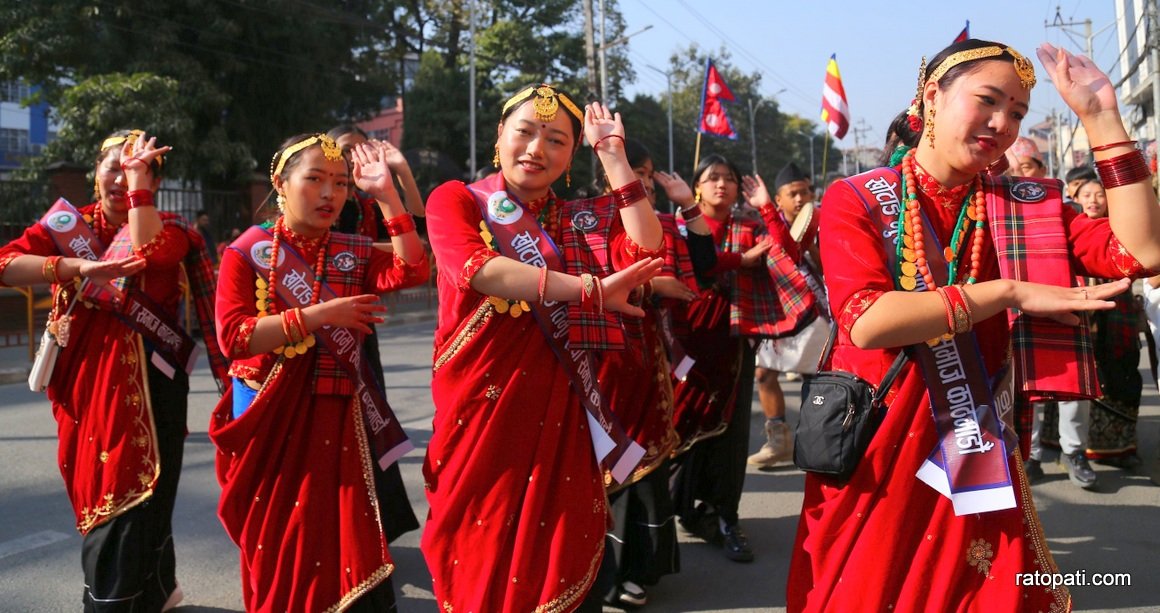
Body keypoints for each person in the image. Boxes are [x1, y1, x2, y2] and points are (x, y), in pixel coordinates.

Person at [789, 39, 1160, 611]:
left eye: (1015, 113)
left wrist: (1103, 119)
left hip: (976, 438)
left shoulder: (1023, 206)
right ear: (932, 96)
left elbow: (1140, 252)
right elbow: (866, 321)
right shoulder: (858, 198)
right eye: (988, 101)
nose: (1002, 124)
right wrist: (1009, 292)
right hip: (879, 441)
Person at [421, 84, 664, 612]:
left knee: (558, 549)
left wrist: (615, 158)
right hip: (479, 408)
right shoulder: (457, 199)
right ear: (499, 137)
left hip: (561, 410)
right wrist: (590, 290)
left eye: (556, 140)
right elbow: (481, 270)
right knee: (473, 545)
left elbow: (645, 246)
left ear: (571, 157)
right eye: (525, 132)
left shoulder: (575, 219)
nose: (536, 148)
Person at [0, 129, 226, 612]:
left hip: (155, 384)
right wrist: (72, 268)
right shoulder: (64, 225)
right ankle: (145, 593)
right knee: (103, 493)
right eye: (113, 166)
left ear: (153, 181)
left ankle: (127, 599)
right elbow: (7, 263)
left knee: (147, 494)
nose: (121, 179)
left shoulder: (174, 230)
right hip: (86, 386)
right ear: (94, 172)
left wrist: (139, 186)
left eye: (136, 170)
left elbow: (144, 251)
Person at [209, 134, 428, 612]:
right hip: (268, 411)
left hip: (335, 416)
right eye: (315, 179)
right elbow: (234, 337)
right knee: (280, 539)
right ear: (280, 185)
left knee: (342, 533)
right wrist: (317, 316)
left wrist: (388, 196)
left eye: (341, 183)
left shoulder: (350, 250)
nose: (330, 193)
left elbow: (413, 269)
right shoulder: (245, 252)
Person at [669, 154, 819, 563]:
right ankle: (676, 512)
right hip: (681, 346)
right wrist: (738, 261)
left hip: (731, 347)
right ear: (697, 186)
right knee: (677, 429)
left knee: (730, 438)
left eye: (729, 179)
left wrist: (768, 208)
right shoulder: (677, 227)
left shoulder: (749, 227)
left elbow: (788, 257)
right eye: (712, 177)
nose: (721, 184)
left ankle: (725, 517)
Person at [589, 138, 714, 609]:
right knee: (615, 462)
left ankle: (643, 566)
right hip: (603, 360)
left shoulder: (656, 223)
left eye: (646, 172)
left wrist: (689, 206)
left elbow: (702, 271)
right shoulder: (586, 219)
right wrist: (652, 281)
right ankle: (611, 573)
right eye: (631, 170)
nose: (641, 180)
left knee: (647, 462)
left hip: (646, 356)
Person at [326, 123, 423, 544]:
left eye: (361, 152)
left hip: (359, 329)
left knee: (369, 426)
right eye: (345, 152)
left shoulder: (368, 206)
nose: (352, 161)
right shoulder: (318, 198)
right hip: (311, 329)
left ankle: (374, 529)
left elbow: (416, 235)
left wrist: (399, 173)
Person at [749, 162, 830, 468]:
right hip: (779, 311)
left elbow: (829, 272)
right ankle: (778, 441)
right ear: (778, 200)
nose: (800, 199)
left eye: (805, 192)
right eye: (792, 194)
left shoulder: (827, 222)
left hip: (814, 312)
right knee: (764, 373)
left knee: (817, 377)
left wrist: (811, 249)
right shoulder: (765, 225)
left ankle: (818, 439)